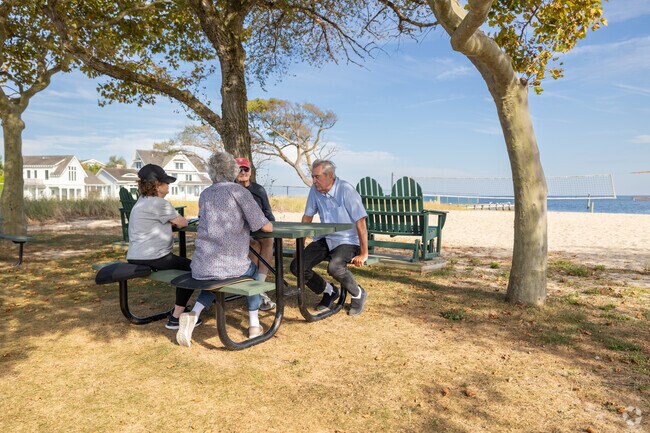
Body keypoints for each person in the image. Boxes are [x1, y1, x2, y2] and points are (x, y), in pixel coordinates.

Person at [177, 151, 273, 347]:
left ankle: (194, 314)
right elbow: (263, 225)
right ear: (233, 170)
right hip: (231, 265)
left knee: (218, 281)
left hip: (202, 265)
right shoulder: (239, 192)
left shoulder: (205, 193)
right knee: (253, 275)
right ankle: (254, 324)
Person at [125, 164, 201, 330]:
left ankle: (179, 311)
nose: (169, 186)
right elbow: (183, 223)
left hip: (135, 255)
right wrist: (174, 222)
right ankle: (177, 315)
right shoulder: (159, 203)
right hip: (155, 257)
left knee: (184, 265)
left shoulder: (141, 202)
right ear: (157, 185)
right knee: (194, 268)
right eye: (166, 182)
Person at [290, 159, 369, 316]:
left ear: (330, 175)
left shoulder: (346, 190)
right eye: (312, 177)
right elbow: (307, 218)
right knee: (297, 266)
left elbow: (360, 221)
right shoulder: (314, 190)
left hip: (347, 240)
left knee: (334, 267)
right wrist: (300, 248)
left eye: (317, 177)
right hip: (325, 238)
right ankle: (330, 291)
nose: (313, 181)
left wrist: (364, 253)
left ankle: (358, 293)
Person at [234, 156, 276, 311]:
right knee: (253, 245)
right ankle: (257, 290)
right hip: (239, 233)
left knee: (268, 240)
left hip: (260, 229)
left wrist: (270, 224)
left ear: (251, 171)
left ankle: (260, 284)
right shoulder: (231, 190)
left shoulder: (258, 190)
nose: (243, 172)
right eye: (239, 169)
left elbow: (268, 213)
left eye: (246, 169)